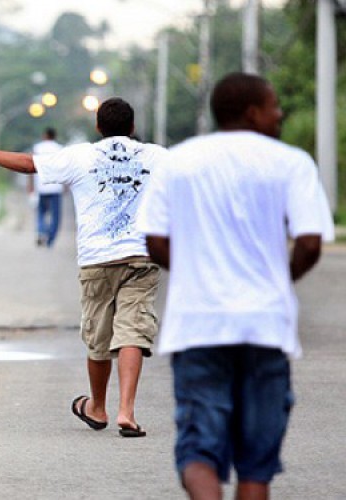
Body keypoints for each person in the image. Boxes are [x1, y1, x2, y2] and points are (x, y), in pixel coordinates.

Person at [136, 73, 333, 500]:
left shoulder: (178, 161)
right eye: (274, 106)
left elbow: (154, 240)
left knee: (199, 453)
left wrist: (193, 274)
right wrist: (278, 281)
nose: (280, 114)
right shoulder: (291, 162)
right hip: (265, 325)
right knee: (256, 466)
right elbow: (311, 242)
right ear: (252, 112)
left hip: (199, 325)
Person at [0, 98, 166, 438]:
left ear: (98, 127)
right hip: (140, 257)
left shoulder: (80, 155)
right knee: (133, 331)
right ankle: (127, 411)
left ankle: (97, 407)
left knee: (99, 338)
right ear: (132, 127)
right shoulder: (157, 156)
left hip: (97, 259)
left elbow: (28, 165)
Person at [29, 127, 63, 247]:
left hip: (41, 186)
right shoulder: (60, 149)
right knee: (55, 215)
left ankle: (41, 231)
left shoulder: (38, 148)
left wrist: (31, 186)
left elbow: (31, 167)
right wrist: (66, 186)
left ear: (45, 135)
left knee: (41, 212)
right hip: (56, 187)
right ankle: (50, 239)